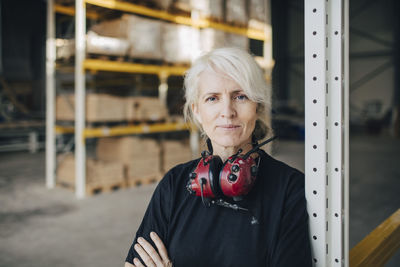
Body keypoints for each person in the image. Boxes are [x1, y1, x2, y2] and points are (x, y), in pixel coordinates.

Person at [125, 47, 312, 267]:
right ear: (197, 110)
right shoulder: (175, 183)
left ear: (258, 106)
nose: (227, 111)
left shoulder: (290, 189)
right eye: (212, 98)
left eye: (240, 96)